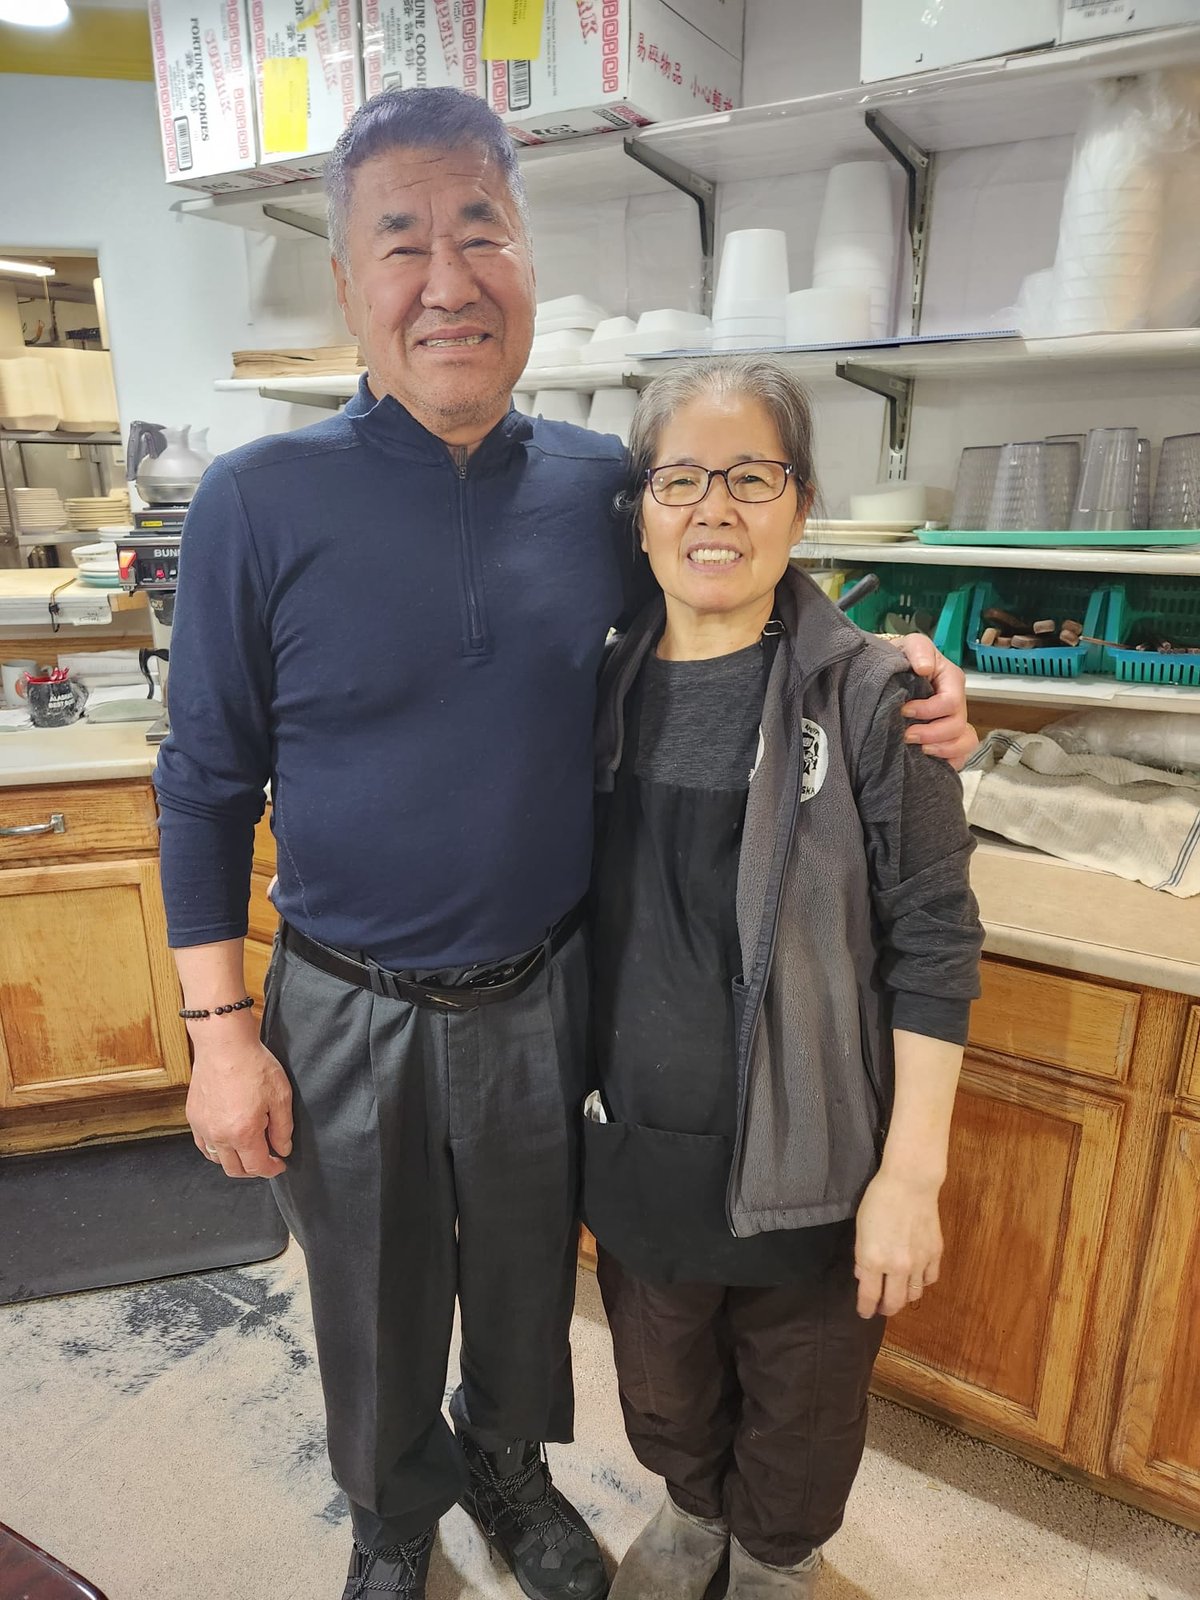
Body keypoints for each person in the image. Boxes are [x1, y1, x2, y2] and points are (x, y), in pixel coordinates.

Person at [154, 87, 977, 1600]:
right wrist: (220, 1034)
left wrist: (900, 670)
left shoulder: (603, 485)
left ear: (530, 260)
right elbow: (201, 782)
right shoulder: (255, 502)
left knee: (528, 1285)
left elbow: (734, 580)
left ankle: (507, 1468)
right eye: (401, 242)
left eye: (482, 232)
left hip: (546, 990)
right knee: (373, 1296)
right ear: (347, 281)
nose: (447, 281)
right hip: (342, 997)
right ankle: (391, 1517)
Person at [582, 358, 984, 1598]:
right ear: (639, 512)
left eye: (752, 477)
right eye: (681, 479)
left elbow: (936, 938)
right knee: (661, 1385)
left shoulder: (876, 696)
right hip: (643, 1139)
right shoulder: (593, 682)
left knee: (803, 1408)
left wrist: (911, 1176)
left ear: (802, 503)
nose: (714, 508)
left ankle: (773, 1552)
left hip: (814, 1153)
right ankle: (693, 1510)